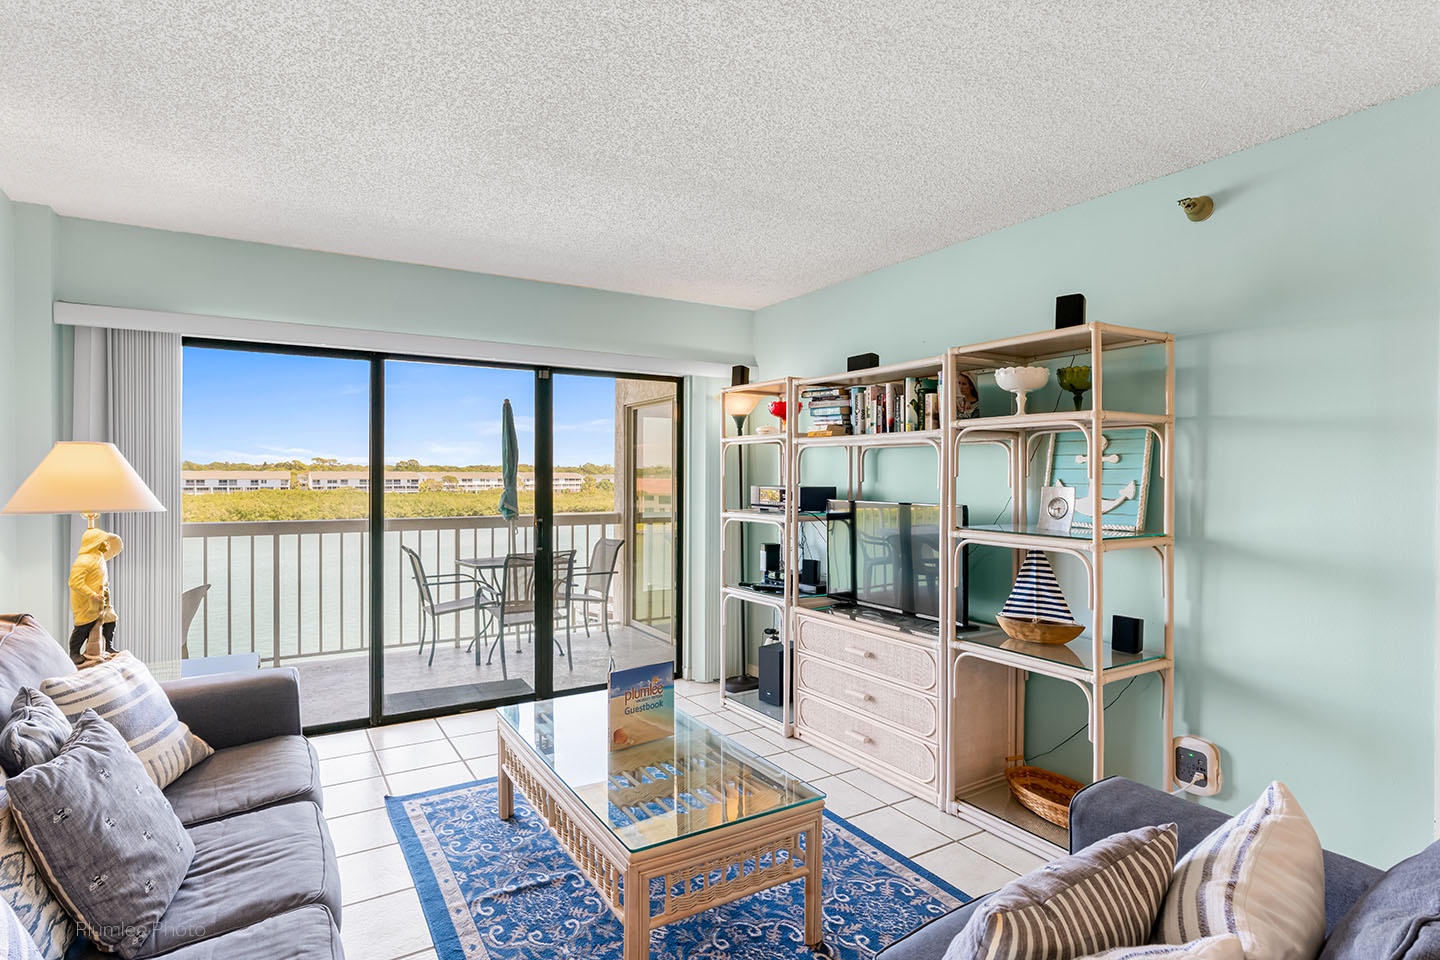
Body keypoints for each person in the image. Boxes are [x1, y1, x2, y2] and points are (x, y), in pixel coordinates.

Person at [68, 528, 123, 666]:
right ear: (95, 543)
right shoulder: (83, 562)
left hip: (102, 598)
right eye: (104, 542)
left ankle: (108, 645)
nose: (107, 544)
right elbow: (75, 582)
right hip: (86, 601)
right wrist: (92, 595)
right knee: (84, 626)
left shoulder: (99, 557)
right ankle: (74, 652)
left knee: (110, 618)